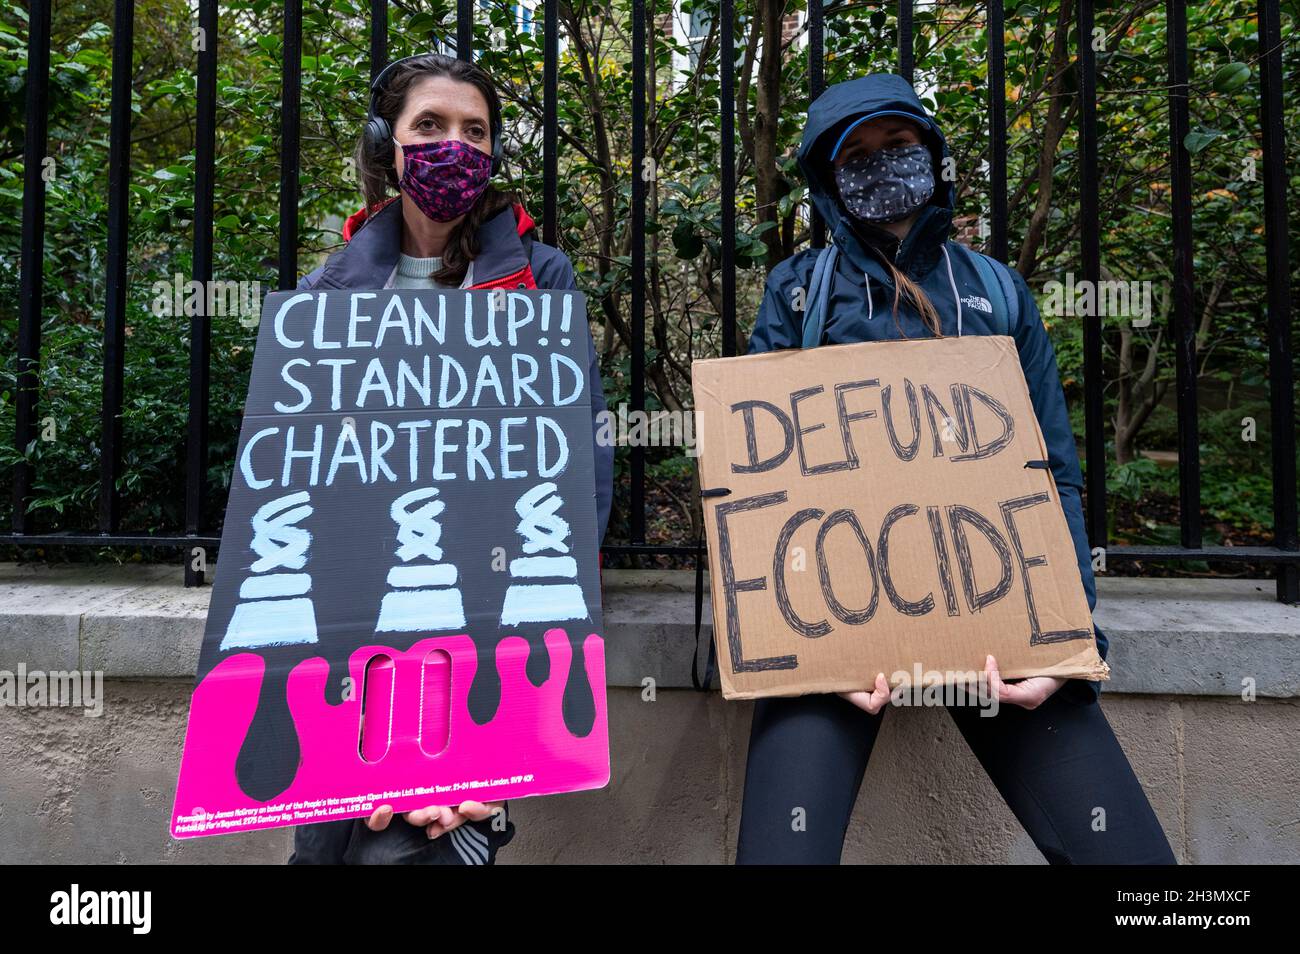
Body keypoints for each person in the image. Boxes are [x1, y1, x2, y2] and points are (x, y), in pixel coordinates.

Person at [737, 73, 1175, 865]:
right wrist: (805, 651)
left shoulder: (998, 291)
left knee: (1134, 865)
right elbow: (766, 486)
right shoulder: (797, 292)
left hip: (995, 625)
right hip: (840, 638)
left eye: (897, 146)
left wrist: (1066, 645)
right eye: (857, 154)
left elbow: (1054, 473)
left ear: (931, 155)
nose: (880, 164)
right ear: (828, 179)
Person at [287, 52, 614, 864]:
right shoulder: (321, 296)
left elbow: (578, 469)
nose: (453, 148)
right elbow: (292, 480)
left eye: (474, 131)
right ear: (386, 145)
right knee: (324, 853)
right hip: (347, 642)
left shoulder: (540, 280)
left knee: (414, 853)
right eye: (428, 126)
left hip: (479, 638)